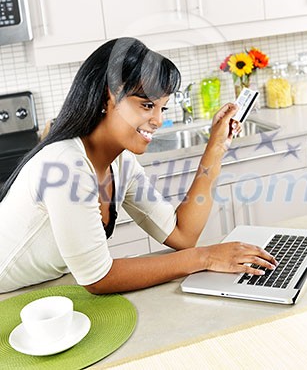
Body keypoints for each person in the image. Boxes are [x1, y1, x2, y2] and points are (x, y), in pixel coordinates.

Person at [0, 38, 276, 294]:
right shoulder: (65, 165)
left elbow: (182, 234)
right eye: (147, 105)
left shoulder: (121, 163)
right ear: (109, 99)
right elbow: (98, 278)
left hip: (34, 290)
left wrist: (216, 148)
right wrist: (206, 257)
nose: (158, 120)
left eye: (162, 108)